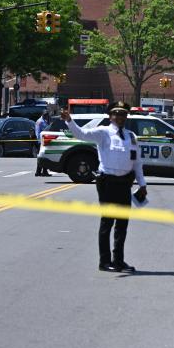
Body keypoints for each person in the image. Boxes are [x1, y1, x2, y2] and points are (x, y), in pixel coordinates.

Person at [61, 101, 147, 273]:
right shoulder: (103, 133)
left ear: (126, 117)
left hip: (125, 184)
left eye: (122, 114)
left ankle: (119, 260)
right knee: (107, 223)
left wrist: (142, 184)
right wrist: (69, 121)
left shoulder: (131, 136)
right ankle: (104, 261)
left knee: (122, 224)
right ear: (110, 116)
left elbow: (137, 162)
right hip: (107, 183)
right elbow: (82, 134)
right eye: (116, 114)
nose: (119, 117)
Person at [34, 111, 51, 177]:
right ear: (43, 115)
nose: (47, 116)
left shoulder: (45, 121)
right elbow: (37, 133)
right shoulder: (39, 121)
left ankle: (44, 171)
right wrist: (40, 142)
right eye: (46, 115)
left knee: (44, 157)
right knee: (41, 157)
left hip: (45, 141)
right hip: (41, 142)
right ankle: (38, 172)